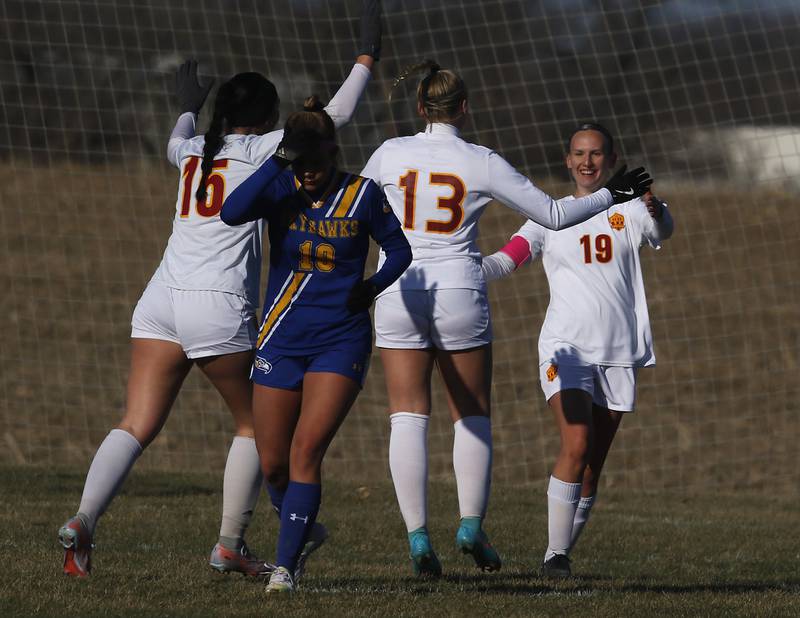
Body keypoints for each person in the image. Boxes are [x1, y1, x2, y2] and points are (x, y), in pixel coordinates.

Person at [57, 1, 383, 578]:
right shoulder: (263, 150)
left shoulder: (189, 153)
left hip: (160, 298)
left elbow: (181, 130)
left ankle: (83, 519)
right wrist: (364, 58)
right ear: (266, 119)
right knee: (257, 426)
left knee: (135, 422)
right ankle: (231, 544)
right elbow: (335, 115)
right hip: (218, 303)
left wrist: (187, 103)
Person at [359, 63, 653, 577]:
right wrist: (613, 193)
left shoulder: (389, 153)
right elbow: (555, 216)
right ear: (465, 108)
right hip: (458, 290)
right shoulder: (482, 161)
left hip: (399, 288)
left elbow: (350, 209)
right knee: (470, 414)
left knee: (407, 414)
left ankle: (417, 535)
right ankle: (471, 524)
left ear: (420, 109)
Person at [219, 97, 412, 593]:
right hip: (281, 337)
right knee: (272, 463)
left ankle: (284, 569)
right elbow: (231, 212)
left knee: (306, 450)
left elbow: (400, 250)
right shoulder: (280, 185)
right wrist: (279, 161)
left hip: (340, 339)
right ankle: (302, 528)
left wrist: (372, 286)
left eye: (315, 162)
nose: (308, 173)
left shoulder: (363, 194)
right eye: (299, 162)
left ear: (333, 152)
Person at [481, 122, 674, 578]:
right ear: (567, 161)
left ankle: (560, 553)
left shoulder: (630, 209)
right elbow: (510, 257)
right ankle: (554, 557)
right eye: (578, 154)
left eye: (596, 154)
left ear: (610, 160)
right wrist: (465, 268)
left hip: (620, 351)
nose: (587, 161)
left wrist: (653, 205)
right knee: (577, 441)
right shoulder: (549, 214)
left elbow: (663, 227)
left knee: (591, 467)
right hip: (565, 348)